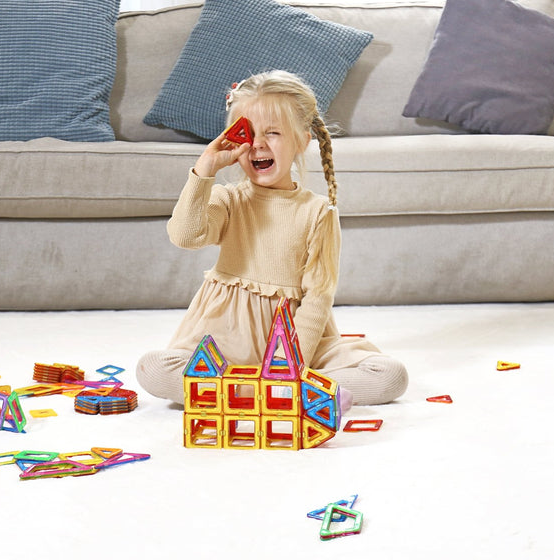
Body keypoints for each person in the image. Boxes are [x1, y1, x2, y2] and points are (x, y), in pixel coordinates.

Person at [136, 70, 407, 406]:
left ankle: (264, 390)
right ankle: (281, 395)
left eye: (273, 133)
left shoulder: (318, 212)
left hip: (295, 340)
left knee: (390, 375)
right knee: (153, 368)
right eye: (248, 134)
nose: (259, 144)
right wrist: (205, 168)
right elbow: (185, 236)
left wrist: (290, 365)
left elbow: (318, 296)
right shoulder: (228, 198)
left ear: (301, 142)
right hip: (225, 339)